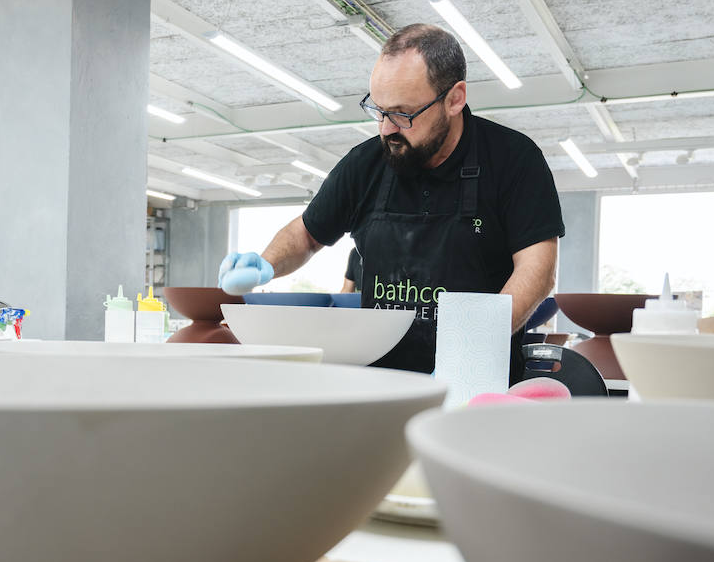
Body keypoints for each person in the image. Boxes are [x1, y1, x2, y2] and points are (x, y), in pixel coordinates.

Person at [219, 23, 563, 378]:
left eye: (402, 113)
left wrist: (470, 347)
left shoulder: (513, 160)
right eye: (378, 110)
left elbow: (537, 271)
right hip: (381, 379)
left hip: (476, 378)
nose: (386, 128)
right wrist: (265, 264)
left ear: (454, 99)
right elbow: (307, 234)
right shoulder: (365, 164)